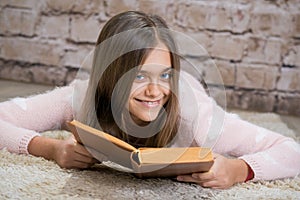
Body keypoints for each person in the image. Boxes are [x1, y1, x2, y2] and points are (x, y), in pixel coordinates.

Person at [0, 11, 299, 189]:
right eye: (140, 76)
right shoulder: (82, 96)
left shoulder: (197, 120)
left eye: (165, 75)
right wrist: (50, 148)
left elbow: (291, 151)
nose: (156, 91)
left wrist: (239, 170)